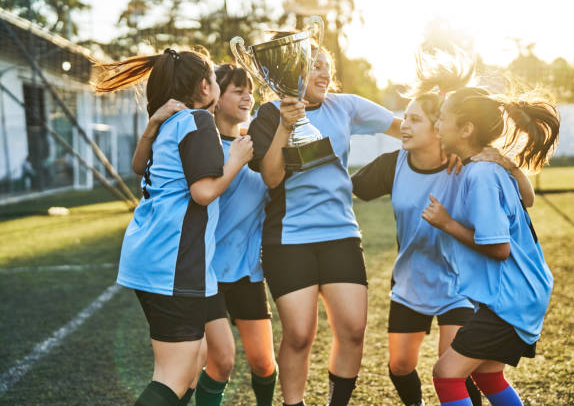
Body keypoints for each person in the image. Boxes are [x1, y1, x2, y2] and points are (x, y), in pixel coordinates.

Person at [351, 82, 535, 405]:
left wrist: (505, 161)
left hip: (459, 284)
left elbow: (525, 199)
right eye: (404, 117)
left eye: (414, 120)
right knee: (399, 366)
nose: (403, 126)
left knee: (454, 372)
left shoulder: (465, 165)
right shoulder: (391, 165)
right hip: (411, 281)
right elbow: (345, 187)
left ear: (439, 129)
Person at [247, 34, 403, 406]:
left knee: (352, 329)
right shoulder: (268, 114)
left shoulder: (344, 107)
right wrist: (286, 126)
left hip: (340, 235)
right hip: (289, 238)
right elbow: (271, 178)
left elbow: (403, 126)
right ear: (291, 68)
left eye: (327, 68)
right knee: (299, 334)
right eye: (315, 65)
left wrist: (453, 146)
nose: (324, 74)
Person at [93, 48, 253, 406]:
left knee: (194, 362)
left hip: (151, 255)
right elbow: (203, 192)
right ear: (204, 86)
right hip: (172, 261)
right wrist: (238, 159)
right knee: (173, 376)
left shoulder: (171, 122)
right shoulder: (197, 121)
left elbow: (138, 167)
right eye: (214, 78)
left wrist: (151, 123)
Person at [132, 63, 277, 406]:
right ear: (212, 92)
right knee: (204, 364)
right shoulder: (198, 135)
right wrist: (236, 161)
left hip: (242, 271)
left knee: (257, 362)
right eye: (236, 89)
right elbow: (203, 191)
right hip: (200, 270)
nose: (246, 96)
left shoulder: (255, 147)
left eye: (250, 91)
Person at [422, 85, 559, 405]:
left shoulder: (481, 174)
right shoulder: (489, 166)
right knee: (487, 375)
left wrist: (447, 223)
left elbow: (499, 249)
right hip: (520, 293)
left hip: (511, 298)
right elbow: (529, 199)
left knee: (446, 374)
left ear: (467, 129)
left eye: (442, 119)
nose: (437, 125)